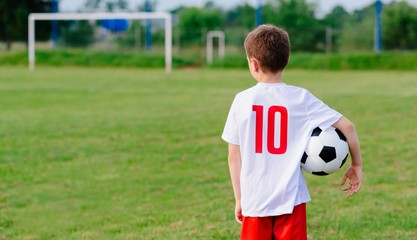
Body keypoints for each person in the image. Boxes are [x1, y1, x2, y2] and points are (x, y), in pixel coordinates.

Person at [221, 24, 363, 240]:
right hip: (291, 199)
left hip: (255, 200)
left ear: (254, 63)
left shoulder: (242, 100)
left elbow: (234, 157)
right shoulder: (301, 98)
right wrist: (356, 165)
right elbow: (348, 127)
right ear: (285, 60)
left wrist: (239, 199)